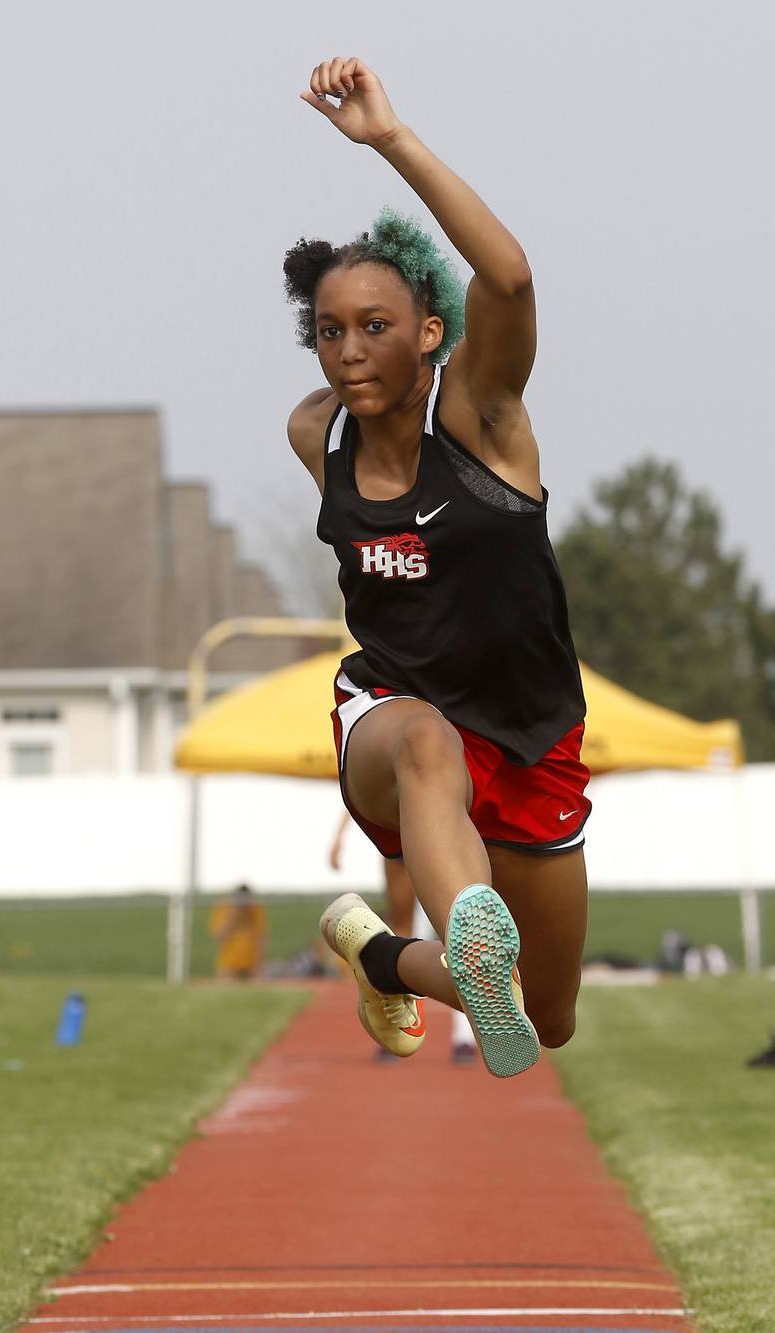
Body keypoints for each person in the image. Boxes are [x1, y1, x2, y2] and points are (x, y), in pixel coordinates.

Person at [286, 57, 590, 1078]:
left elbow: (504, 279)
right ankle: (465, 925)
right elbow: (336, 402)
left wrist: (389, 139)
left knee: (542, 1016)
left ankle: (380, 952)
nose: (347, 351)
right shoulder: (313, 437)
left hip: (531, 730)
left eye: (374, 328)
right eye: (328, 332)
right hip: (394, 716)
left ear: (429, 336)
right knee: (422, 739)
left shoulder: (482, 424)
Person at [329, 809, 478, 1064]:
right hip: (403, 828)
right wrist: (340, 836)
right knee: (406, 930)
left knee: (459, 932)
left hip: (442, 829)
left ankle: (465, 1035)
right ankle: (403, 1022)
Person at [208, 884, 267, 980]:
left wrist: (259, 966)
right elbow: (220, 936)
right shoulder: (224, 908)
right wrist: (233, 916)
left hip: (251, 965)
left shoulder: (255, 910)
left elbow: (261, 939)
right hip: (229, 965)